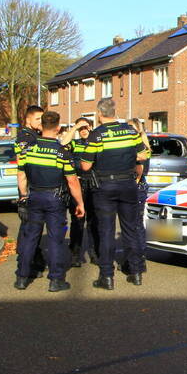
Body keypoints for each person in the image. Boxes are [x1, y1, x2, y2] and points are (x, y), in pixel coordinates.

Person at [14, 110, 85, 292]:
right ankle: (56, 280)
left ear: (42, 126)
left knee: (30, 237)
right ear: (58, 128)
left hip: (34, 196)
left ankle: (21, 278)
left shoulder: (28, 149)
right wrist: (80, 203)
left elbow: (21, 175)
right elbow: (72, 180)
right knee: (56, 239)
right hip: (55, 199)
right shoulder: (61, 152)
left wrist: (23, 196)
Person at [79, 98, 144, 290]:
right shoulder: (131, 131)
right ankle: (136, 272)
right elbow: (142, 155)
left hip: (104, 186)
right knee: (130, 229)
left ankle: (106, 276)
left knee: (106, 232)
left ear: (99, 114)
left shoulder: (96, 135)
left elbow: (85, 165)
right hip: (128, 184)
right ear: (115, 112)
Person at [14, 105, 47, 275]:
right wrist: (24, 195)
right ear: (28, 119)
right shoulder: (25, 137)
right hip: (28, 188)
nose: (41, 122)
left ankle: (33, 259)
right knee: (28, 227)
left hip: (34, 186)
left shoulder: (35, 135)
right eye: (37, 119)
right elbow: (23, 167)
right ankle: (25, 262)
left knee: (33, 227)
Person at [67, 117, 100, 267]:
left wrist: (92, 132)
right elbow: (62, 142)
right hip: (78, 184)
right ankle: (75, 254)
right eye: (81, 129)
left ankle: (95, 253)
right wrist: (74, 128)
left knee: (93, 221)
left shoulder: (96, 142)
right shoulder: (74, 143)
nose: (83, 131)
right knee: (77, 221)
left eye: (86, 128)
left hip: (93, 184)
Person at [121, 117, 152, 277]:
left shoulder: (139, 148)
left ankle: (136, 261)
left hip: (135, 187)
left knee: (133, 225)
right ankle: (139, 259)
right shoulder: (143, 146)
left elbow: (139, 170)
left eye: (131, 128)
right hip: (139, 187)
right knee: (137, 224)